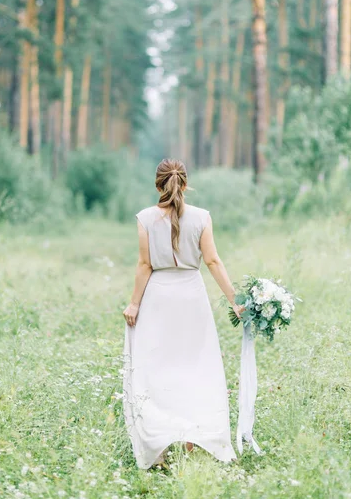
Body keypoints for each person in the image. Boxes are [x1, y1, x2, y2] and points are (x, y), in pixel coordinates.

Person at [122, 158, 245, 469]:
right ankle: (192, 442)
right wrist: (234, 300)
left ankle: (159, 449)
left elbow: (144, 265)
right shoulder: (202, 217)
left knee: (158, 371)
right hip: (192, 298)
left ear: (157, 184)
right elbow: (214, 261)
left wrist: (134, 303)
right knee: (195, 368)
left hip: (158, 300)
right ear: (186, 184)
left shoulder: (145, 218)